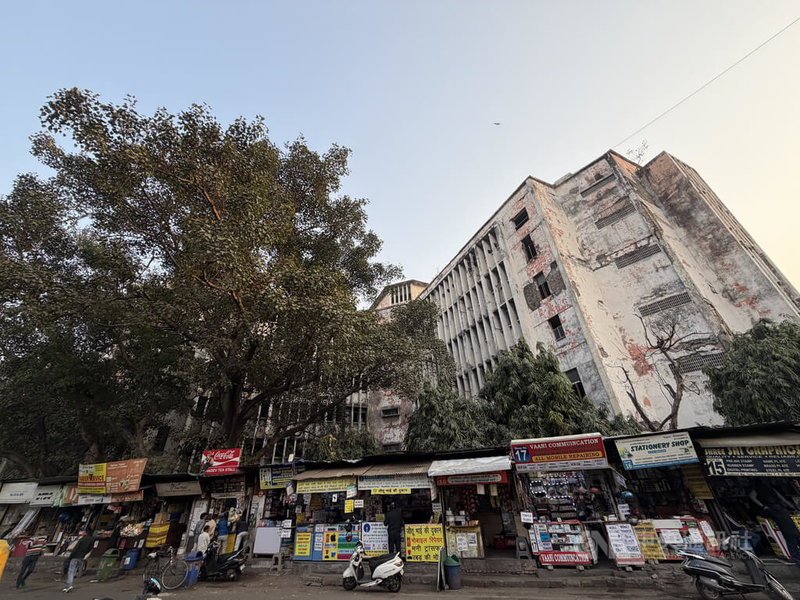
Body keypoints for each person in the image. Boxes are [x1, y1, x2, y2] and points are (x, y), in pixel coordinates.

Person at [63, 528, 94, 593]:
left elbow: (75, 549)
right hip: (82, 557)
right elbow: (90, 549)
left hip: (76, 556)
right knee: (75, 570)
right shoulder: (92, 540)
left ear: (85, 533)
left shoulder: (81, 540)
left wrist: (71, 556)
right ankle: (70, 584)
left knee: (71, 571)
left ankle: (69, 585)